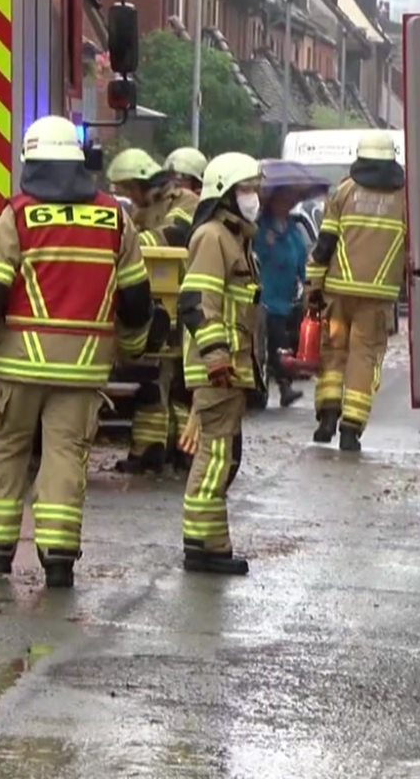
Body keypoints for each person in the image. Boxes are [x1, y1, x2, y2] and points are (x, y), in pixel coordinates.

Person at [0, 115, 155, 588]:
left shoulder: (18, 215)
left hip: (17, 370)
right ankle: (57, 561)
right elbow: (135, 300)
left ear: (30, 161)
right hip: (83, 373)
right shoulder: (115, 219)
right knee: (64, 460)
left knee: (6, 453)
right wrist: (132, 348)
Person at [176, 151, 263, 575]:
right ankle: (202, 547)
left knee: (223, 457)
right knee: (214, 457)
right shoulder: (213, 237)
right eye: (246, 189)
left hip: (230, 367)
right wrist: (216, 356)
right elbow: (196, 303)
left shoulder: (236, 238)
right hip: (219, 368)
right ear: (225, 193)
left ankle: (210, 543)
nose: (253, 197)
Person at [305, 131, 406, 452]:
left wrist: (314, 287)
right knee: (363, 358)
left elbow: (324, 245)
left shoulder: (344, 192)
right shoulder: (405, 197)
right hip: (377, 297)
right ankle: (351, 429)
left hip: (337, 291)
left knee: (333, 351)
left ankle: (327, 416)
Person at [106, 148, 200, 474]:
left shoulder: (184, 201)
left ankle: (186, 451)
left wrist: (126, 242)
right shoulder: (141, 212)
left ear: (142, 182)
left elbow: (176, 236)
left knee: (179, 384)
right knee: (153, 381)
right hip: (156, 303)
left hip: (185, 299)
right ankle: (150, 450)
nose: (128, 197)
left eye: (129, 189)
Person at [254, 188, 308, 408]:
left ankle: (284, 382)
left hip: (288, 297)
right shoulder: (262, 228)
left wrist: (306, 282)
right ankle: (283, 386)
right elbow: (256, 254)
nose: (287, 204)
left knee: (283, 340)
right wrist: (267, 243)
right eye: (282, 199)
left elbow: (301, 258)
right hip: (267, 295)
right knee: (276, 342)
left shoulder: (294, 229)